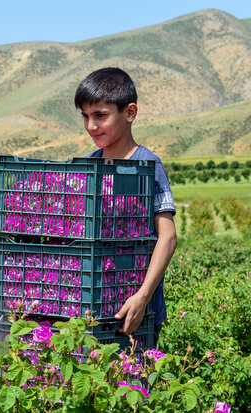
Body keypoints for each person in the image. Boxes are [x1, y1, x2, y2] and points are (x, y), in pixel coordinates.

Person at [74, 67, 177, 344]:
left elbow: (167, 236)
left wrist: (142, 297)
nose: (90, 126)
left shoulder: (148, 166)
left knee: (133, 383)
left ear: (129, 113)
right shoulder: (87, 166)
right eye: (85, 116)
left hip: (134, 310)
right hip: (93, 304)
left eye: (100, 116)